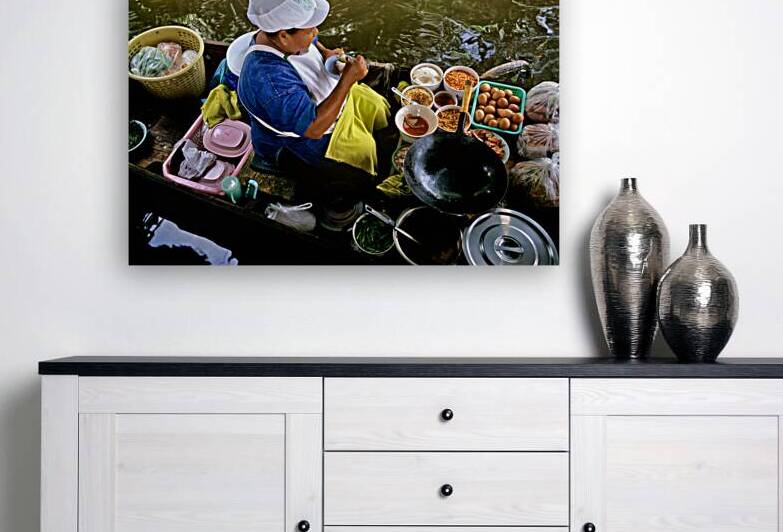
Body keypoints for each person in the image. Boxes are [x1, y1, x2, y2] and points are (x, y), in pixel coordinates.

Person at [237, 0, 380, 174]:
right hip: (311, 133)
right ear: (284, 36)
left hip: (327, 96)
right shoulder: (270, 81)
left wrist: (325, 52)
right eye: (310, 31)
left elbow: (312, 42)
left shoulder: (280, 32)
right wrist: (347, 81)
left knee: (376, 105)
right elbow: (313, 129)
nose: (316, 32)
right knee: (364, 149)